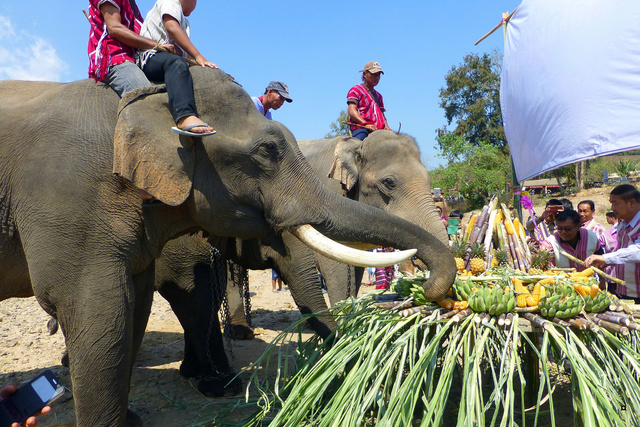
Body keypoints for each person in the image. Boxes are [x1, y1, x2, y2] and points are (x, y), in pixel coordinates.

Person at [135, 0, 217, 136]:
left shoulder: (184, 21)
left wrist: (203, 63)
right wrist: (198, 56)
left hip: (168, 60)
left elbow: (187, 52)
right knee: (176, 63)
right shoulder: (170, 2)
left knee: (181, 64)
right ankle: (184, 115)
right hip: (151, 58)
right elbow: (171, 27)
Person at [87, 0, 160, 97]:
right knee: (148, 98)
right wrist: (156, 45)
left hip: (134, 57)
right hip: (115, 59)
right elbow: (114, 29)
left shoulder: (131, 3)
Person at [585, 184, 640, 303]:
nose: (612, 208)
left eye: (616, 203)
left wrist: (606, 258)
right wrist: (608, 262)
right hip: (624, 291)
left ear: (632, 203)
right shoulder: (622, 225)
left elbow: (637, 251)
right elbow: (622, 251)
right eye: (611, 203)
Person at [346, 61, 390, 141]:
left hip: (379, 131)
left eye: (378, 75)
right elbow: (351, 111)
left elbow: (382, 115)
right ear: (364, 74)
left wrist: (386, 126)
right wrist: (366, 124)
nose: (376, 77)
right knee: (356, 145)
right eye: (373, 74)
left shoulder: (379, 96)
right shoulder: (356, 90)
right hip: (362, 129)